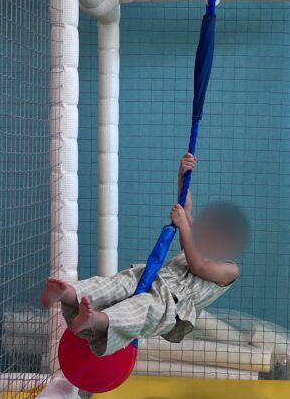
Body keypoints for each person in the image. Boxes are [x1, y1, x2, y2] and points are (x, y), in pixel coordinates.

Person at [41, 153, 248, 357]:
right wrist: (182, 175)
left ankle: (93, 320)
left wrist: (184, 224)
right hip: (151, 275)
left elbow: (199, 266)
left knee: (137, 309)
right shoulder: (196, 244)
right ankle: (66, 294)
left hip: (169, 303)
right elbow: (186, 210)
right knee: (113, 285)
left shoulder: (230, 270)